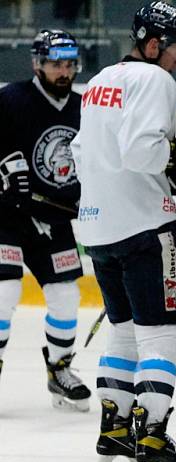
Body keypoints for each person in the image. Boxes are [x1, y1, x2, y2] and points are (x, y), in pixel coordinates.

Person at [70, 1, 176, 462]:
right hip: (147, 225)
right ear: (151, 44)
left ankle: (114, 436)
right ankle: (151, 444)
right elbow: (144, 152)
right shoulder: (154, 80)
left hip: (98, 228)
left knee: (123, 330)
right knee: (159, 333)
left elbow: (79, 153)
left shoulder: (99, 81)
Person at [0, 29, 90, 412]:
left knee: (66, 295)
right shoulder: (11, 98)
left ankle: (59, 369)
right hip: (5, 214)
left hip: (53, 217)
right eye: (55, 64)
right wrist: (5, 165)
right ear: (37, 64)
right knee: (3, 292)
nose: (63, 71)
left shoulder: (86, 107)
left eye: (69, 64)